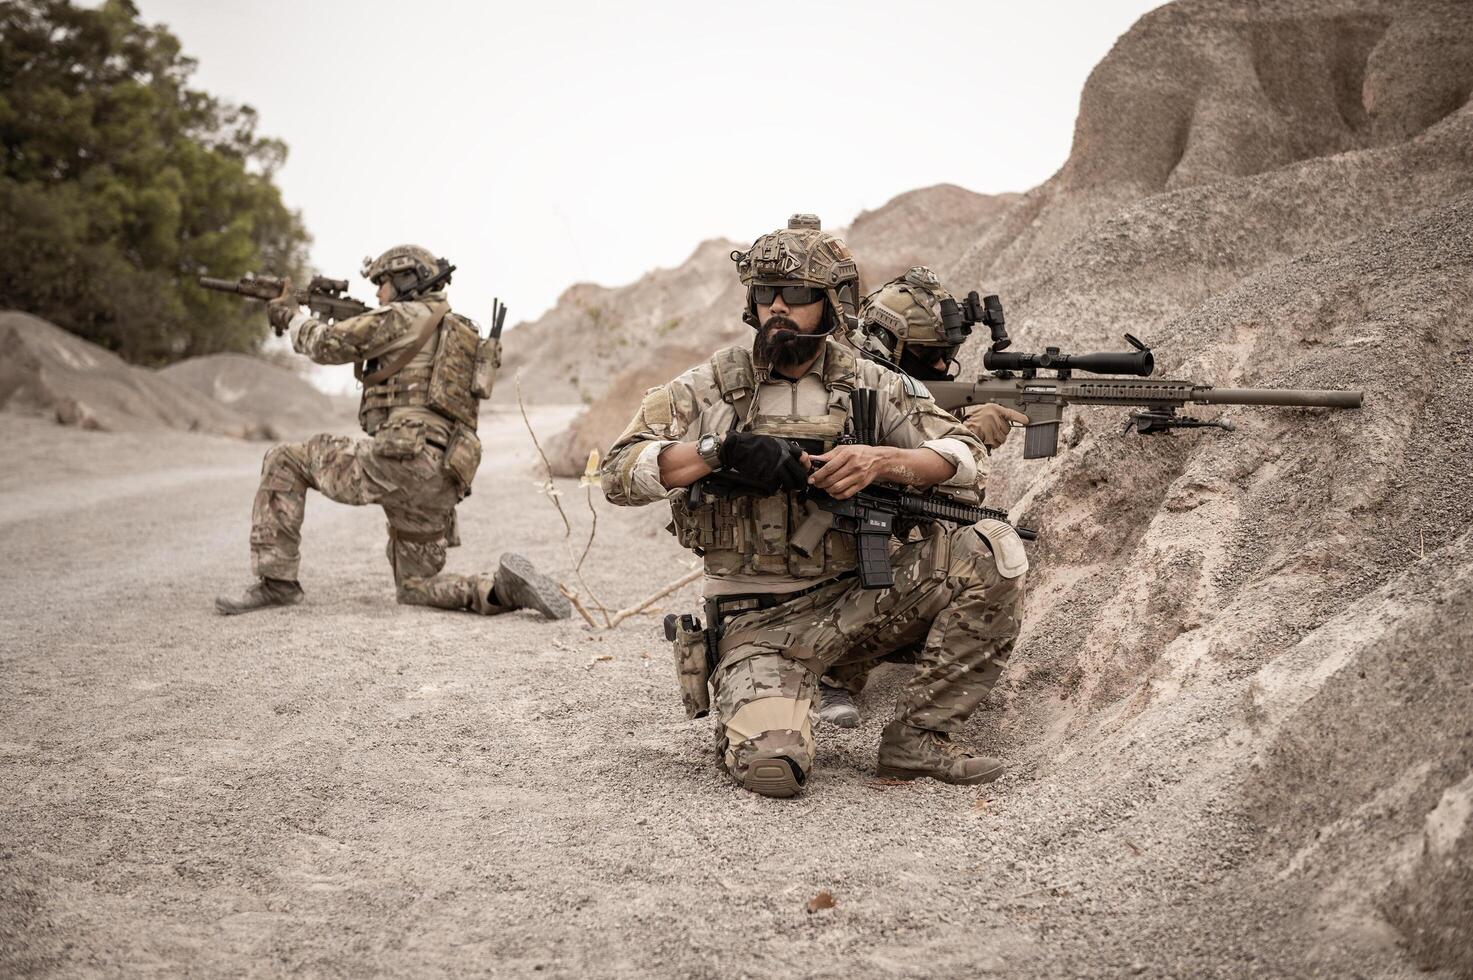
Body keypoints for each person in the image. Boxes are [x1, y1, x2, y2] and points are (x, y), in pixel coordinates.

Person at [601, 216, 1028, 798]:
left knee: (991, 549)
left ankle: (919, 737)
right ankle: (777, 698)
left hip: (859, 602)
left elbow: (964, 455)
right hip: (759, 623)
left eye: (798, 294)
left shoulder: (875, 384)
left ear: (829, 304)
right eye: (765, 293)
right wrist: (716, 451)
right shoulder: (710, 387)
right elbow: (619, 472)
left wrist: (883, 461)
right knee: (775, 771)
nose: (779, 306)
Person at [215, 244, 569, 620]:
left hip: (401, 458)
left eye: (382, 284)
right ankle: (499, 589)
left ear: (405, 280)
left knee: (284, 459)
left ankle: (277, 584)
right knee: (415, 588)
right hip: (444, 473)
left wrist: (294, 318)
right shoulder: (460, 331)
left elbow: (328, 345)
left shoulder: (402, 317)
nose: (378, 295)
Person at [819, 266, 1030, 727]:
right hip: (822, 562)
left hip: (866, 561)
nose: (940, 367)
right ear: (883, 343)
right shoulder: (840, 389)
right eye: (930, 355)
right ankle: (832, 672)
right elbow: (899, 477)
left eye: (948, 354)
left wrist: (959, 436)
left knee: (962, 538)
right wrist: (970, 437)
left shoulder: (904, 393)